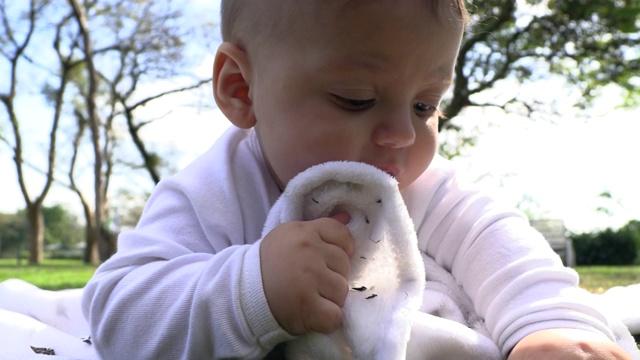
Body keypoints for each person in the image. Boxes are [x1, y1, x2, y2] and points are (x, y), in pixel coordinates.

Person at [82, 1, 634, 359]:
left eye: (425, 105)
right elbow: (120, 311)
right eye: (356, 99)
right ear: (242, 90)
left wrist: (549, 327)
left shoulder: (424, 186)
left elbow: (503, 249)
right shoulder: (211, 191)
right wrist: (251, 288)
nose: (401, 134)